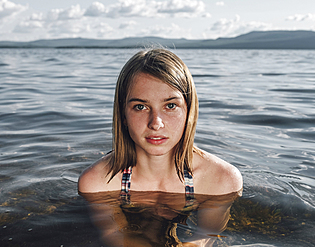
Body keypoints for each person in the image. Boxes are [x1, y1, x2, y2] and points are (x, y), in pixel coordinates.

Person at [78, 48, 242, 246]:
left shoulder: (221, 180)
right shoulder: (97, 183)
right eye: (140, 106)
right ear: (123, 114)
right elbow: (116, 237)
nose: (156, 123)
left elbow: (205, 237)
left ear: (189, 110)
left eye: (170, 106)